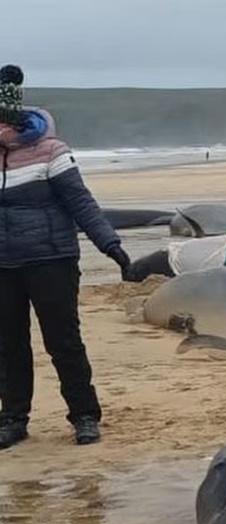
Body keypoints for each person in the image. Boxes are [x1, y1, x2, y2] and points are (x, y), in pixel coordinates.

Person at [0, 64, 131, 449]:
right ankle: (13, 419)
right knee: (8, 346)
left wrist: (111, 245)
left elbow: (80, 202)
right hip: (3, 266)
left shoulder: (50, 151)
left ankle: (85, 416)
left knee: (63, 342)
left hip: (52, 260)